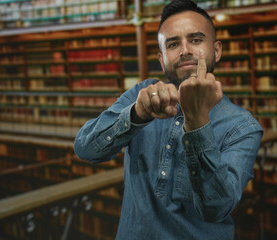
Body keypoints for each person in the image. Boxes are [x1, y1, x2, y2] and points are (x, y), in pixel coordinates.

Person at [74, 0, 263, 239]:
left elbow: (216, 208)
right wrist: (137, 114)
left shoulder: (243, 127)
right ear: (162, 60)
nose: (185, 50)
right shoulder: (141, 94)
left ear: (216, 50)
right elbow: (85, 149)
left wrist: (197, 123)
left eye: (195, 40)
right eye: (173, 44)